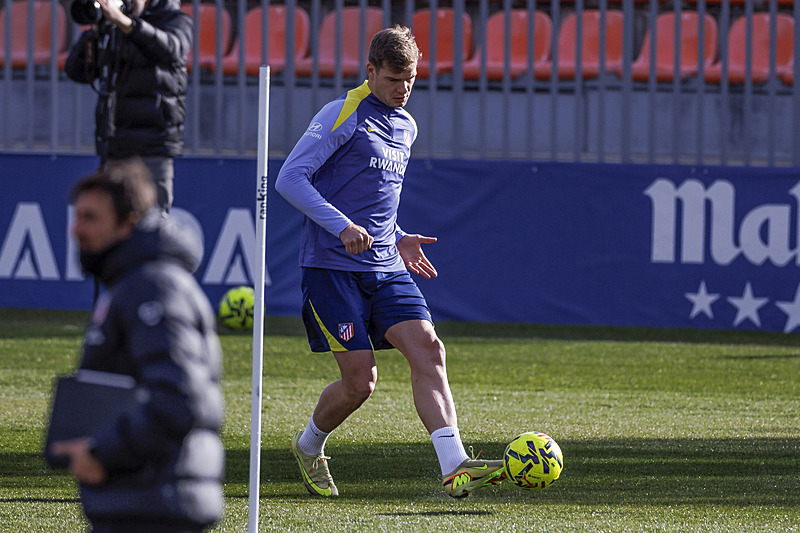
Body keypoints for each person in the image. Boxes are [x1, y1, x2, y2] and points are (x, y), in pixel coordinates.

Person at [275, 25, 505, 499]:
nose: (403, 89)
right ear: (371, 71)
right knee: (361, 382)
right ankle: (308, 446)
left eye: (411, 80)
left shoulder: (407, 125)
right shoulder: (345, 113)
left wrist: (397, 236)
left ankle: (454, 464)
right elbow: (290, 178)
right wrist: (341, 226)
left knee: (429, 349)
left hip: (385, 265)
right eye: (394, 79)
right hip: (332, 268)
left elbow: (378, 199)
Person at [50, 159, 224, 532]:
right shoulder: (133, 282)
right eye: (77, 216)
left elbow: (180, 400)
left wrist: (101, 453)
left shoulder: (152, 287)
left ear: (128, 222)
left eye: (91, 218)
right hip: (146, 498)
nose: (77, 229)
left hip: (155, 505)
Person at [64, 0, 193, 213]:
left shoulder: (175, 19)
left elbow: (171, 49)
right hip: (115, 146)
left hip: (152, 146)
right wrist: (95, 33)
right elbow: (76, 71)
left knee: (151, 227)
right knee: (111, 229)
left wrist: (128, 25)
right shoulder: (112, 28)